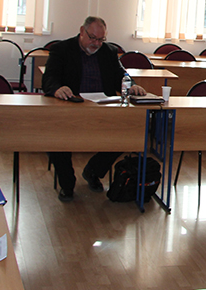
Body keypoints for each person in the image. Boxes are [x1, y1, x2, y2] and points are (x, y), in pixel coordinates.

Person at [41, 16, 145, 201]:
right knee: (57, 139)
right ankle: (67, 184)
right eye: (92, 38)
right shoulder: (61, 49)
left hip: (102, 110)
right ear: (82, 31)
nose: (96, 44)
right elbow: (49, 78)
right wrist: (57, 88)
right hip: (70, 110)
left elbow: (121, 75)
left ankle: (93, 171)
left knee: (126, 135)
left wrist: (132, 86)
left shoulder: (109, 51)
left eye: (101, 39)